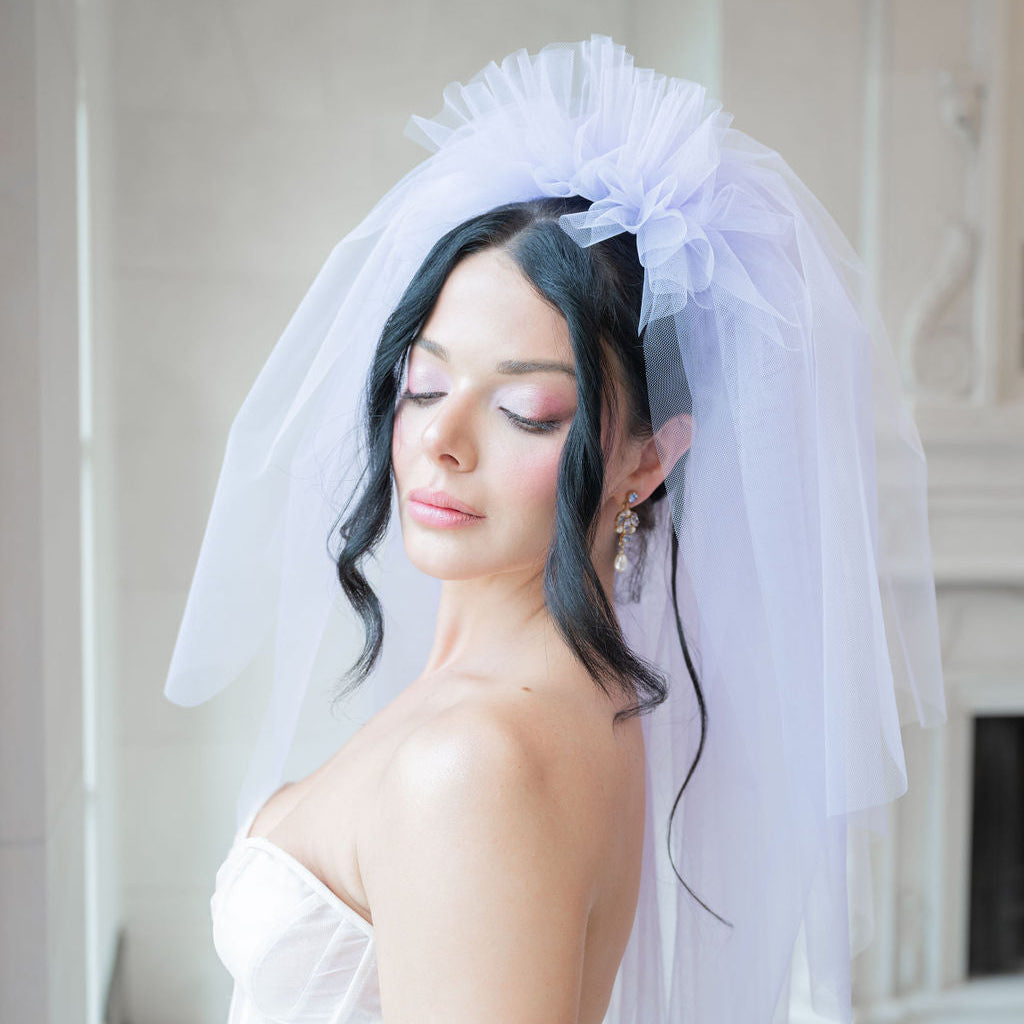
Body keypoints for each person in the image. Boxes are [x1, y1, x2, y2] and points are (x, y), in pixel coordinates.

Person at [168, 35, 947, 1024]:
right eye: (427, 381)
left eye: (526, 409)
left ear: (647, 457)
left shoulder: (479, 763)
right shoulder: (558, 700)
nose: (440, 441)